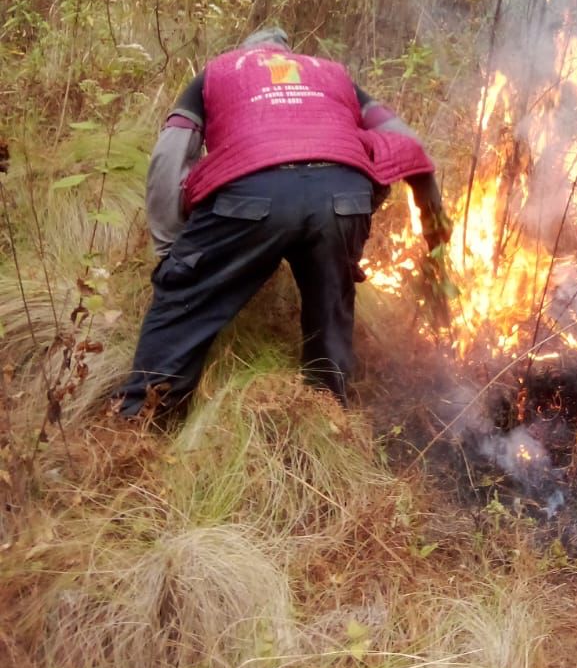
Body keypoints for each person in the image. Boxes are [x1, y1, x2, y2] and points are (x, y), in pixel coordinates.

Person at [114, 28, 450, 416]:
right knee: (331, 307)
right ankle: (327, 417)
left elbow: (168, 157)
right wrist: (432, 235)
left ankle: (141, 422)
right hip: (343, 197)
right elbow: (409, 145)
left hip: (253, 193)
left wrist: (173, 252)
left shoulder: (219, 71)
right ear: (290, 52)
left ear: (247, 51)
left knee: (184, 301)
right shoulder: (333, 75)